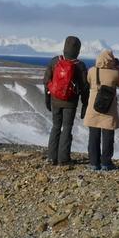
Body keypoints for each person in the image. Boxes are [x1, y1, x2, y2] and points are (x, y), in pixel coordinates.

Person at [43, 35, 89, 165]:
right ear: (78, 50)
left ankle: (51, 157)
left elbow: (46, 81)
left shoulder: (54, 61)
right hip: (70, 102)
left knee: (56, 127)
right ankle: (64, 159)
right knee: (67, 128)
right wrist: (85, 104)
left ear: (64, 48)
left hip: (55, 100)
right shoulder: (80, 65)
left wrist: (47, 99)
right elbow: (85, 87)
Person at [83, 50, 119, 171]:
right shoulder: (115, 73)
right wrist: (118, 67)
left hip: (93, 106)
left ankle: (93, 162)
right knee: (108, 136)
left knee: (93, 135)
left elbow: (88, 80)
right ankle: (106, 163)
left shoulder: (92, 70)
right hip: (109, 108)